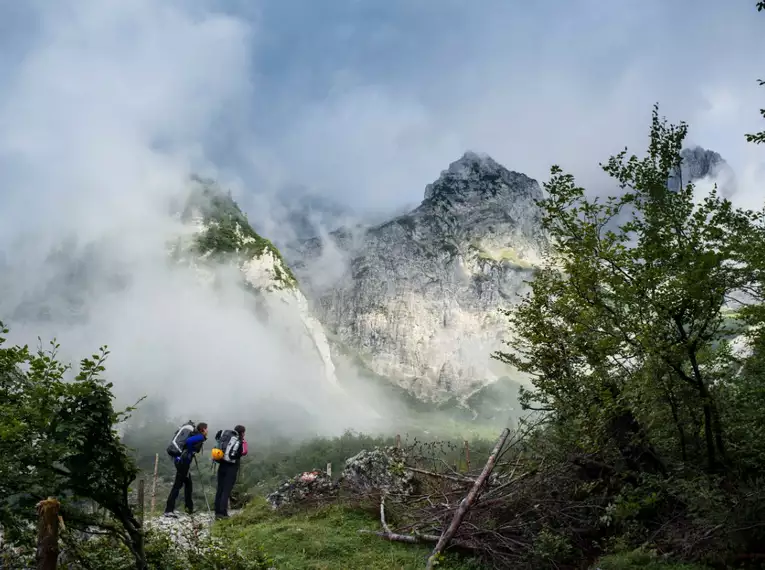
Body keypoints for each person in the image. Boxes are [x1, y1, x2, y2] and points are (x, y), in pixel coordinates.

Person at [164, 421, 208, 517]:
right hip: (183, 462)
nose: (207, 431)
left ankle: (189, 508)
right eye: (206, 429)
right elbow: (188, 442)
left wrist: (189, 451)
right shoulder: (200, 436)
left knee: (188, 483)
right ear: (203, 429)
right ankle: (168, 510)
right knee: (178, 484)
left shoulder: (194, 434)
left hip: (179, 459)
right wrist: (190, 451)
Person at [213, 424, 248, 519]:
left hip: (222, 464)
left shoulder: (227, 437)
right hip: (231, 467)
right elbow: (244, 452)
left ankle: (217, 512)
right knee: (226, 490)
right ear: (242, 432)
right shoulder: (239, 440)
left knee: (220, 488)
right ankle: (223, 512)